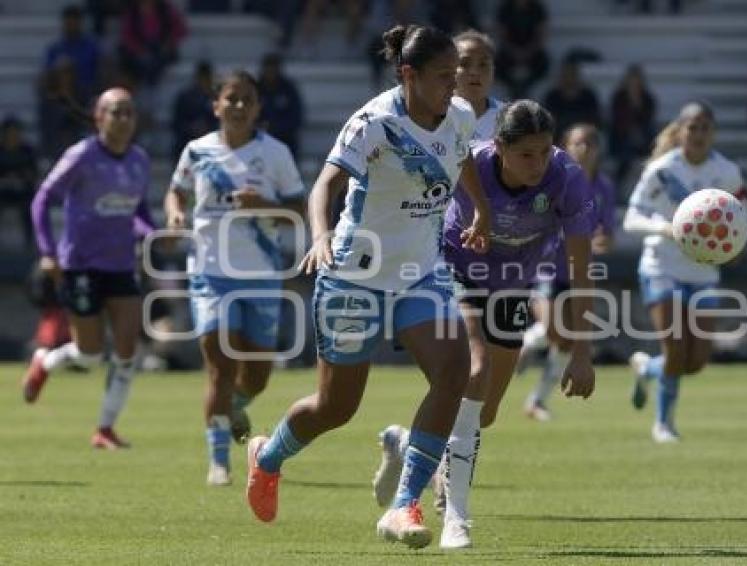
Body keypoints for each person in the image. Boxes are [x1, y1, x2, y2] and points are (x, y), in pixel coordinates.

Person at [243, 25, 491, 550]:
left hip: (418, 271)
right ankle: (267, 457)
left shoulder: (461, 114)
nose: (458, 84)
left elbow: (461, 152)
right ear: (409, 75)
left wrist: (481, 208)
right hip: (355, 272)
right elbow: (326, 184)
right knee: (336, 408)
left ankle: (403, 507)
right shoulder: (374, 123)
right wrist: (320, 233)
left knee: (454, 372)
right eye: (445, 76)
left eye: (460, 74)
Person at [372, 100, 598, 549]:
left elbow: (581, 268)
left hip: (514, 283)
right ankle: (456, 517)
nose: (537, 164)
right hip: (455, 270)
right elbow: (411, 202)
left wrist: (582, 351)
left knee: (483, 416)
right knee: (473, 371)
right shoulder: (469, 162)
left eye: (543, 151)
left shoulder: (567, 178)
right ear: (500, 148)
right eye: (525, 155)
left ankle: (407, 443)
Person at [164, 70, 305, 486]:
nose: (239, 107)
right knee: (220, 368)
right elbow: (177, 190)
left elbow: (298, 210)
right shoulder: (197, 151)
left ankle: (237, 405)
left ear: (258, 108)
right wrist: (175, 212)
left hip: (260, 274)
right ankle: (219, 461)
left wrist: (263, 204)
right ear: (216, 106)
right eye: (232, 99)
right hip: (209, 272)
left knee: (256, 375)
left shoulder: (275, 154)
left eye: (248, 100)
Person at [23, 87, 154, 450]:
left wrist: (154, 234)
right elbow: (42, 199)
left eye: (129, 112)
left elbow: (138, 213)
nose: (123, 119)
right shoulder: (81, 156)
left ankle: (105, 428)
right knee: (90, 354)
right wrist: (47, 252)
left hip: (121, 265)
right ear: (99, 117)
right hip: (80, 265)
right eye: (115, 112)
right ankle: (46, 361)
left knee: (128, 348)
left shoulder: (139, 160)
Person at [624, 101, 745, 443]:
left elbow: (741, 217)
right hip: (662, 267)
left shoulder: (727, 172)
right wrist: (667, 229)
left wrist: (736, 247)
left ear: (714, 133)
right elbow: (631, 219)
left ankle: (647, 368)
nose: (699, 134)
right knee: (676, 351)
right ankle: (663, 424)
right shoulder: (661, 170)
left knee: (696, 362)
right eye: (693, 127)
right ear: (680, 131)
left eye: (706, 127)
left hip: (704, 273)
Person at [522, 123, 616, 422]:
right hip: (546, 268)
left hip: (580, 273)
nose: (584, 149)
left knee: (566, 341)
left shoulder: (604, 188)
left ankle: (537, 400)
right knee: (555, 331)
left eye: (590, 144)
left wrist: (603, 241)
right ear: (564, 146)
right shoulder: (551, 182)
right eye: (577, 143)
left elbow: (608, 233)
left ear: (599, 151)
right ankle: (526, 342)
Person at [609, 64, 656, 187]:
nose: (635, 84)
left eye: (637, 81)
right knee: (626, 151)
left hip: (643, 138)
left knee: (645, 134)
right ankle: (618, 185)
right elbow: (618, 121)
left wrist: (638, 105)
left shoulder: (647, 99)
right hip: (622, 138)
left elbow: (647, 120)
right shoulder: (619, 97)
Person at [494, 0, 550, 99]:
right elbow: (502, 35)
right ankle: (513, 88)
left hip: (532, 51)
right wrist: (514, 52)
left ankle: (525, 88)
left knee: (543, 62)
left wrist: (528, 51)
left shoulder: (537, 8)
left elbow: (541, 34)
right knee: (497, 63)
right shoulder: (505, 8)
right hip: (509, 51)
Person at [44, 5, 102, 101]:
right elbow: (48, 72)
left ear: (80, 23)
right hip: (60, 93)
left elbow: (98, 71)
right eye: (68, 22)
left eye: (73, 22)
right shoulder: (55, 49)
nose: (70, 25)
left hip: (85, 90)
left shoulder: (92, 47)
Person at [542, 56, 602, 144]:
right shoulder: (552, 97)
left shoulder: (589, 96)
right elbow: (548, 123)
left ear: (577, 76)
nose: (569, 78)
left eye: (572, 74)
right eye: (566, 74)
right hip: (558, 141)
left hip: (584, 139)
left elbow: (594, 121)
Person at [0, 116, 39, 248]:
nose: (12, 136)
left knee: (29, 206)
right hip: (2, 191)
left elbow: (34, 173)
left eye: (15, 132)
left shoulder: (28, 151)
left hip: (23, 191)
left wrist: (22, 178)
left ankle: (29, 244)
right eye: (9, 133)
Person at [257, 53, 304, 161]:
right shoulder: (256, 89)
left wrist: (275, 128)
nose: (270, 73)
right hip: (260, 140)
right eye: (268, 69)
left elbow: (296, 116)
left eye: (273, 69)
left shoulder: (288, 89)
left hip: (285, 139)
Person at [171, 60, 217, 160]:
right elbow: (176, 122)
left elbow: (221, 123)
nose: (204, 81)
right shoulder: (185, 97)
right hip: (187, 143)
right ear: (197, 77)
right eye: (202, 77)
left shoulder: (217, 98)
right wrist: (191, 128)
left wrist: (208, 129)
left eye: (207, 77)